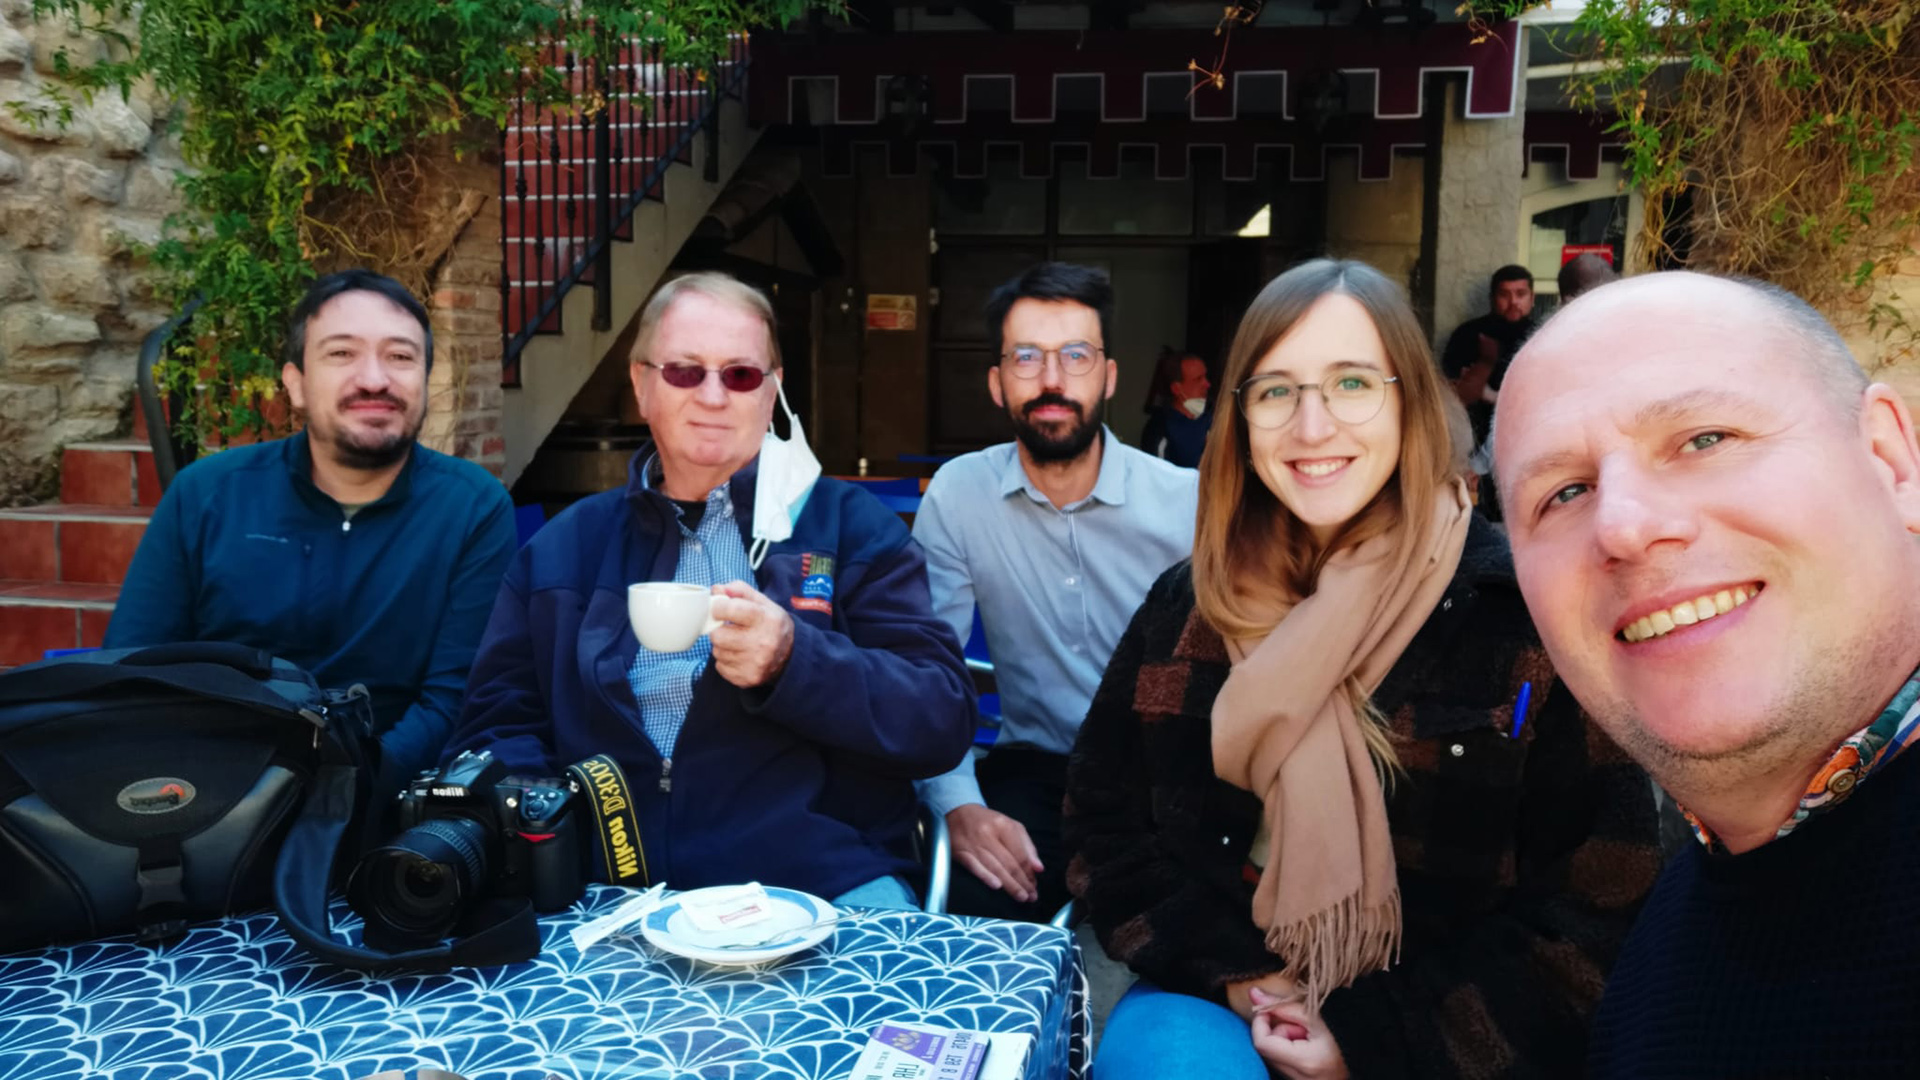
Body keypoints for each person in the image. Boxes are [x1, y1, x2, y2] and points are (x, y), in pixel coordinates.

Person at [1064, 258, 1661, 1079]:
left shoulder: (1518, 609)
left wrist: (1373, 1039)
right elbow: (1103, 823)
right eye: (1276, 391)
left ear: (1411, 398)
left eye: (1351, 384)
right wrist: (1247, 980)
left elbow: (1602, 902)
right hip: (1216, 999)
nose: (1311, 429)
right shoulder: (1190, 603)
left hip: (1452, 1030)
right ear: (1239, 418)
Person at [1493, 271, 1920, 1075]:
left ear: (1892, 461)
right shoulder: (1660, 964)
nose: (1622, 525)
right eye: (1565, 492)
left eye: (1705, 439)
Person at [446, 272, 975, 909]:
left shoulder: (850, 529)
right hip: (604, 890)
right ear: (642, 385)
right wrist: (550, 827)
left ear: (773, 391)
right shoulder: (567, 547)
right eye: (685, 371)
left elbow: (941, 718)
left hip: (820, 883)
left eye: (741, 375)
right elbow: (498, 720)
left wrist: (793, 661)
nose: (715, 395)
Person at [108, 269, 516, 803]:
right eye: (342, 354)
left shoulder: (473, 509)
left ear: (424, 382)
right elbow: (134, 674)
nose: (375, 379)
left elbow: (454, 701)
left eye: (400, 356)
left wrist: (340, 798)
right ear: (296, 383)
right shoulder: (205, 497)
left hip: (384, 805)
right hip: (210, 804)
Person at [914, 262, 1197, 922]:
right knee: (969, 941)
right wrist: (959, 804)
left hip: (1172, 776)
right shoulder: (960, 495)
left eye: (1076, 355)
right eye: (1026, 357)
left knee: (1194, 945)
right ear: (996, 382)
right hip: (1039, 775)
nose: (1051, 380)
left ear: (1109, 376)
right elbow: (929, 668)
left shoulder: (1189, 504)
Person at [1440, 264, 1537, 448]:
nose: (1513, 302)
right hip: (1474, 437)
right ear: (1493, 298)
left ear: (1532, 298)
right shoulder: (1468, 334)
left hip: (1528, 437)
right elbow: (1451, 390)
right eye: (1504, 295)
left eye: (1520, 294)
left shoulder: (1542, 335)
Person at [1141, 349, 1214, 468]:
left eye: (1205, 377)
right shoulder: (1159, 428)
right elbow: (1160, 477)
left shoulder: (1213, 419)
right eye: (1198, 379)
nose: (1207, 384)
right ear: (1177, 388)